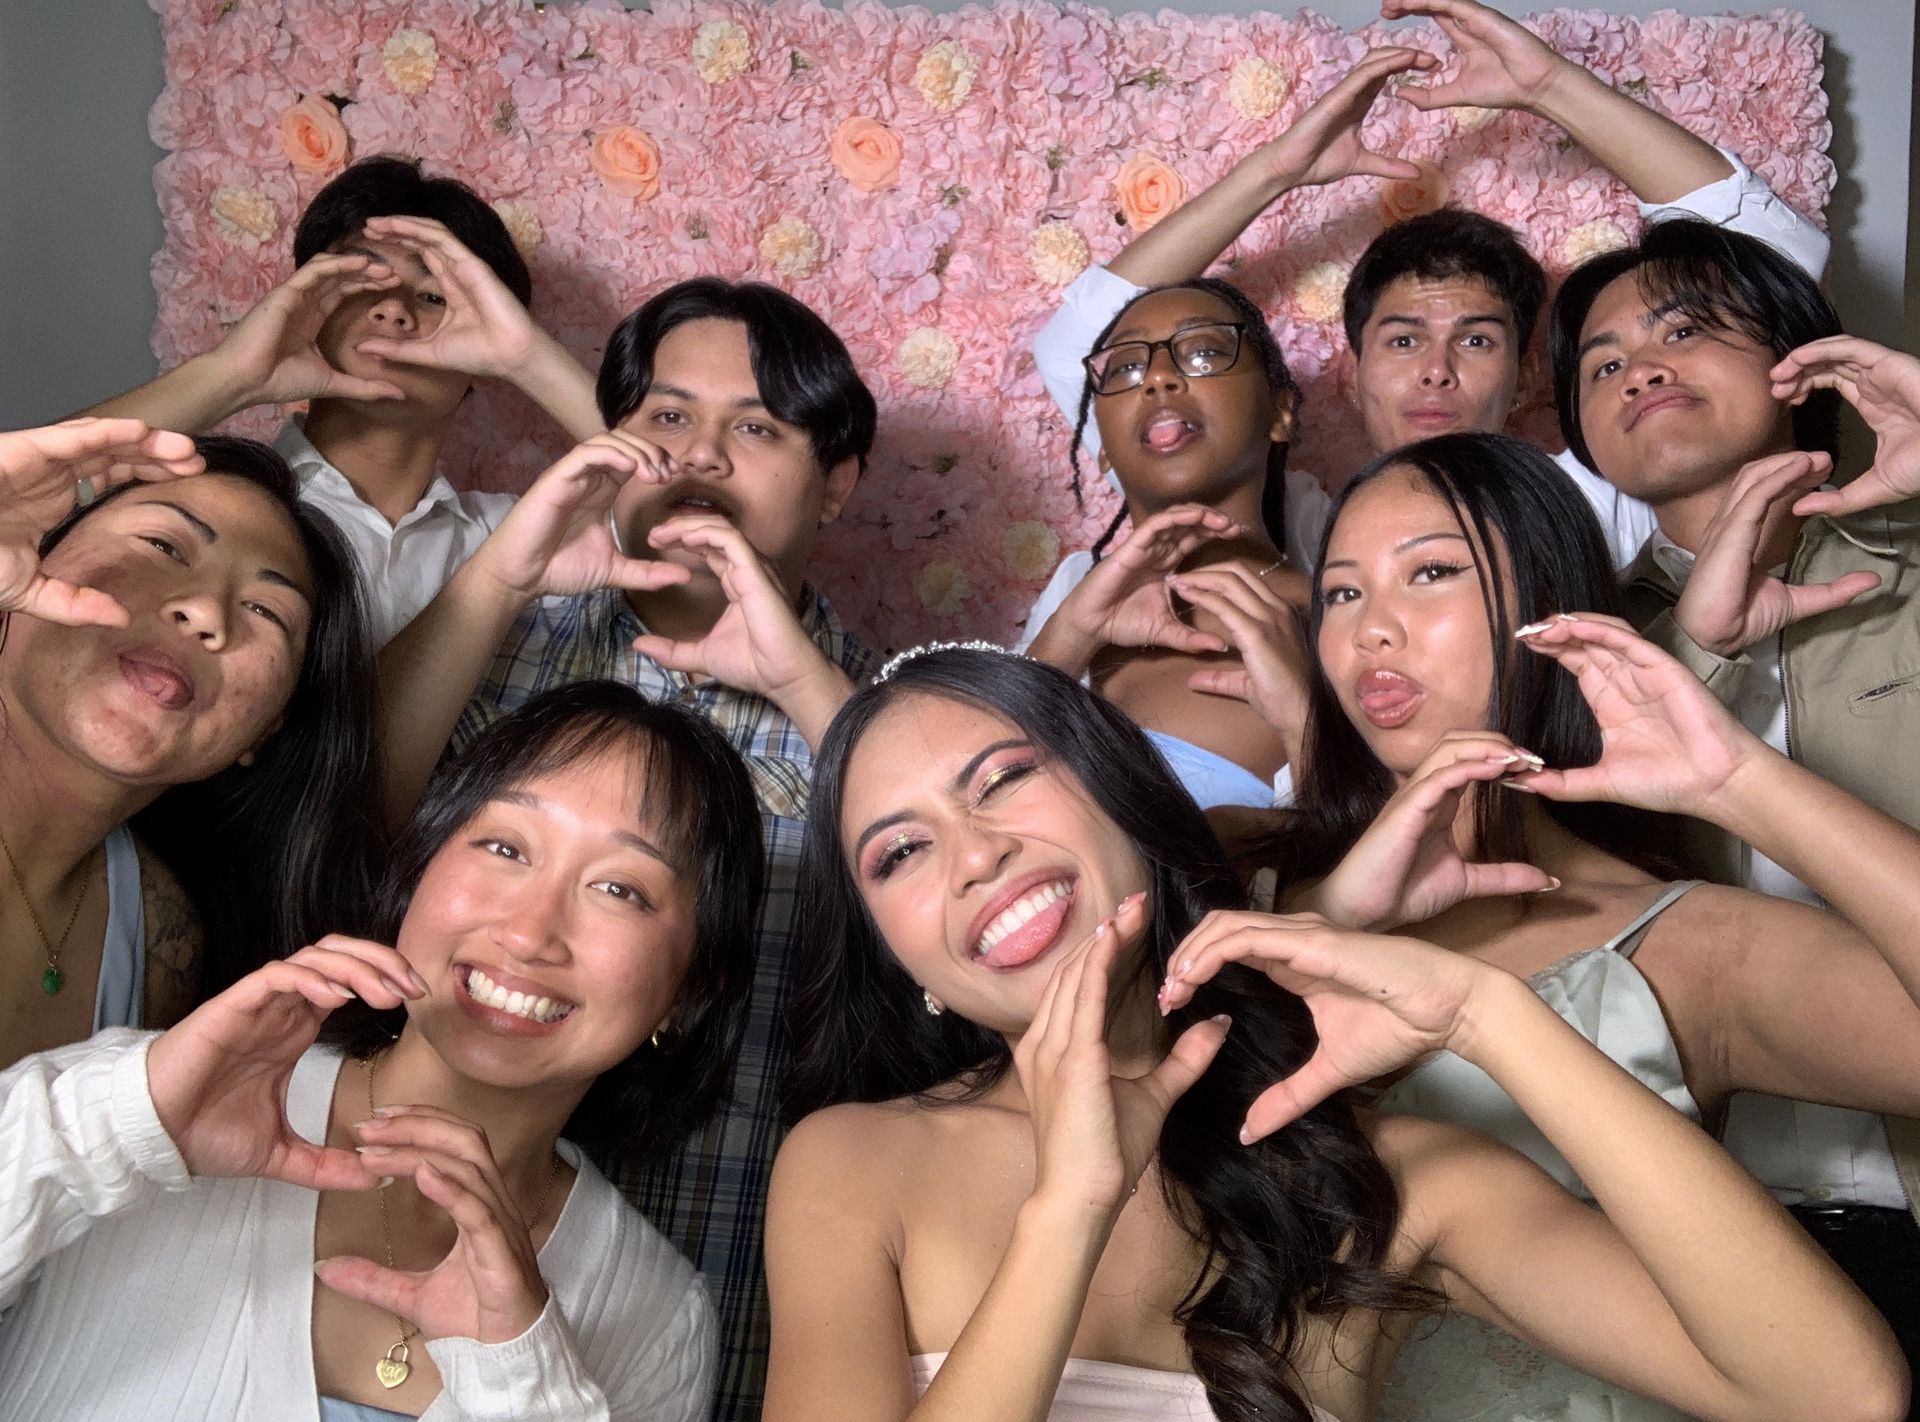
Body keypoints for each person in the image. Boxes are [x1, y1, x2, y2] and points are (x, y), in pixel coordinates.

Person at [763, 645, 1906, 1422]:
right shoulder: (850, 1168)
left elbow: (1841, 1394)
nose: (974, 855)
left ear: (1127, 802)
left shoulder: (1374, 1176)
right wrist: (1068, 1208)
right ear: (896, 958)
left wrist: (1484, 1013)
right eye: (899, 853)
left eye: (1005, 777)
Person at [1259, 431, 1920, 1403]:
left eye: (1430, 572)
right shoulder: (1245, 870)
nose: (1373, 631)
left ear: (1548, 606)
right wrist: (1337, 908)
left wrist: (1742, 784)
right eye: (1344, 593)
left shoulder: (1684, 946)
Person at [373, 277, 880, 1421]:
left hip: (701, 1277)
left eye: (755, 428)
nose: (699, 458)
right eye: (667, 418)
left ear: (838, 482)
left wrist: (805, 684)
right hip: (399, 1238)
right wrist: (497, 580)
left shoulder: (880, 712)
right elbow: (338, 815)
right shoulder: (505, 634)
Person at [0, 679, 763, 1420]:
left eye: (620, 890)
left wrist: (522, 1379)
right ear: (418, 872)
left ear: (691, 989)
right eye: (503, 845)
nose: (528, 934)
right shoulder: (158, 1095)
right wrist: (126, 1126)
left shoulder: (658, 1318)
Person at [1549, 221, 1920, 1269]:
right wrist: (1698, 652)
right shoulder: (1569, 652)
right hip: (1706, 1229)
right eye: (1604, 361)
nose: (1642, 369)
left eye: (1689, 329)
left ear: (1800, 364)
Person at [84, 156, 602, 645]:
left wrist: (526, 356)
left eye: (432, 297)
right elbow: (23, 494)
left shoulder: (514, 536)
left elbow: (670, 494)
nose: (394, 311)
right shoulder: (205, 499)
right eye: (362, 283)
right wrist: (233, 375)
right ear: (309, 304)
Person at [0, 419, 379, 1065]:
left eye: (267, 612)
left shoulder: (162, 939)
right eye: (162, 545)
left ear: (267, 727)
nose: (205, 612)